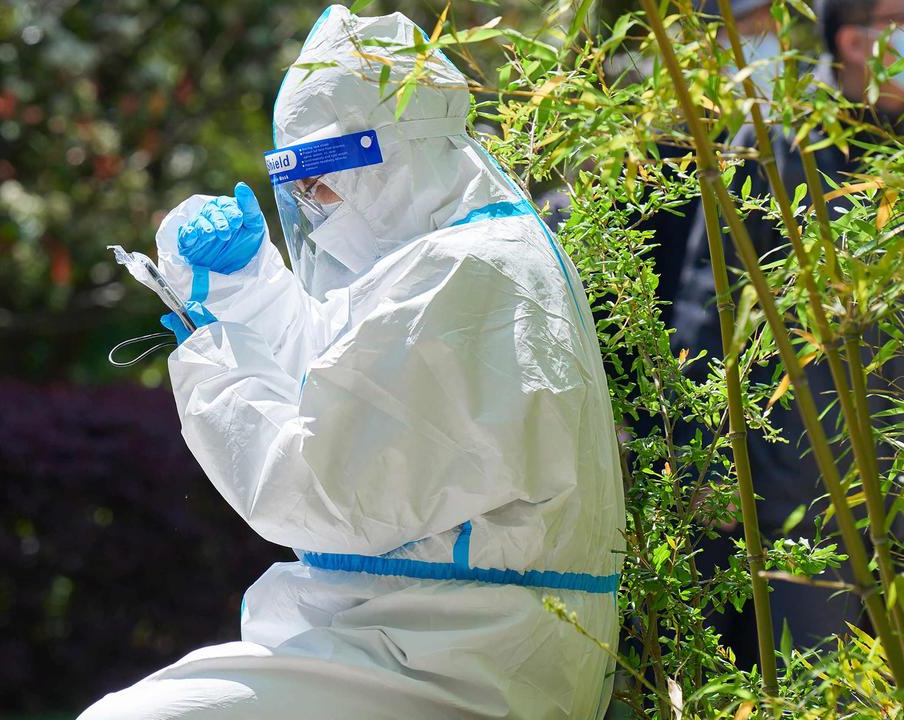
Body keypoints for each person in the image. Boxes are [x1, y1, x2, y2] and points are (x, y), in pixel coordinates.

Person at [79, 6, 624, 719]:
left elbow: (321, 492)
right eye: (299, 187)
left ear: (398, 150)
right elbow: (341, 379)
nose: (314, 203)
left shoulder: (472, 277)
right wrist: (251, 288)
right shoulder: (440, 260)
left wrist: (212, 359)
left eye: (322, 179)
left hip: (462, 660)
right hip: (409, 633)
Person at [672, 0, 904, 666]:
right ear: (857, 42)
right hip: (813, 502)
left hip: (896, 493)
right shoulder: (784, 148)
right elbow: (710, 309)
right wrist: (706, 469)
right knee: (806, 680)